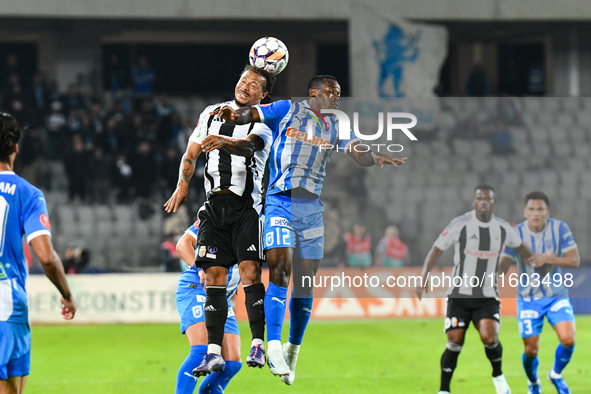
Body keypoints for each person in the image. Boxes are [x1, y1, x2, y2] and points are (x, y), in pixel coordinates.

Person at [214, 75, 407, 383]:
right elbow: (252, 113)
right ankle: (273, 345)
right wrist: (233, 115)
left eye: (339, 94)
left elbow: (356, 149)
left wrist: (372, 156)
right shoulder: (287, 110)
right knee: (279, 269)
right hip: (279, 202)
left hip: (312, 210)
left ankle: (293, 349)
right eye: (331, 92)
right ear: (314, 92)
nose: (336, 98)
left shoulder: (337, 123)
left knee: (304, 283)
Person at [164, 65, 275, 375]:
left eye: (254, 84)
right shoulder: (211, 113)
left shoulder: (264, 120)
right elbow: (191, 153)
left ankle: (259, 344)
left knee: (250, 270)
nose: (246, 86)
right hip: (213, 206)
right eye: (243, 79)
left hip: (246, 207)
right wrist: (182, 184)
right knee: (213, 275)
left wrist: (223, 142)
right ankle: (212, 352)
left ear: (263, 94)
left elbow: (250, 146)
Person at [415, 184, 532, 394]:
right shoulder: (460, 225)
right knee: (454, 341)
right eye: (480, 199)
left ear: (493, 202)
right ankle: (444, 390)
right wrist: (424, 276)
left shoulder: (503, 228)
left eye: (488, 199)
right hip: (459, 296)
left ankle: (498, 377)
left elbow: (523, 249)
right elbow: (436, 249)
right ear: (474, 202)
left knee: (490, 337)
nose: (484, 202)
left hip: (487, 296)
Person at [0, 112, 77, 394]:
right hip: (6, 302)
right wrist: (67, 295)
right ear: (15, 148)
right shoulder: (27, 193)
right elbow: (46, 257)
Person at [500, 191, 579, 394]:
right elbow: (503, 264)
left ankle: (556, 375)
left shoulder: (560, 228)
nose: (536, 213)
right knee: (531, 350)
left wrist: (548, 259)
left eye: (540, 209)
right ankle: (533, 382)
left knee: (568, 339)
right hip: (528, 299)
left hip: (556, 295)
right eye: (531, 209)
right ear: (525, 212)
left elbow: (574, 260)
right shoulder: (515, 233)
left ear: (547, 212)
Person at [175, 220, 242, 394]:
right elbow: (183, 244)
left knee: (232, 363)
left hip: (221, 296)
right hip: (196, 286)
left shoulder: (257, 222)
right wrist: (200, 268)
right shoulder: (216, 211)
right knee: (202, 351)